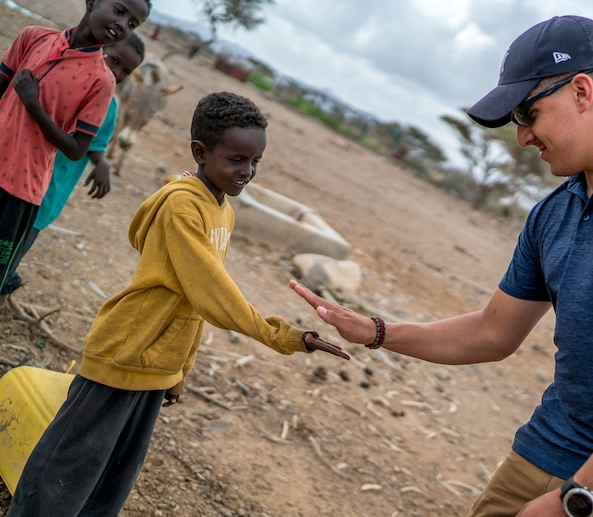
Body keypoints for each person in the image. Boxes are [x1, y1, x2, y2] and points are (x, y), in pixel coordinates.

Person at [290, 15, 593, 517]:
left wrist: (577, 499)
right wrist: (378, 331)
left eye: (528, 114)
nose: (523, 137)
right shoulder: (554, 210)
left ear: (581, 90)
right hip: (545, 449)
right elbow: (493, 332)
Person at [8, 91, 350, 516]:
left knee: (108, 483)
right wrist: (284, 336)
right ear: (200, 153)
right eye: (237, 160)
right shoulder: (181, 208)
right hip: (125, 354)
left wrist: (177, 372)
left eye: (255, 162)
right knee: (61, 476)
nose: (247, 172)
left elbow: (193, 308)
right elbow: (213, 291)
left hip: (155, 366)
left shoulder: (221, 209)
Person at [0, 0, 151, 293]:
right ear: (93, 0)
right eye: (120, 11)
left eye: (134, 23)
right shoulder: (33, 37)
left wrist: (33, 104)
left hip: (20, 192)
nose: (124, 24)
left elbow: (77, 149)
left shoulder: (101, 81)